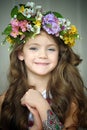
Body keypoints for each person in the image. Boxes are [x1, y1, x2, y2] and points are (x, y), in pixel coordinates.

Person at [0, 1, 87, 130]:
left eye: (51, 49)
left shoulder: (70, 100)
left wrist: (42, 105)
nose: (43, 55)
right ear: (20, 54)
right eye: (34, 48)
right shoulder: (5, 100)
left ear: (59, 55)